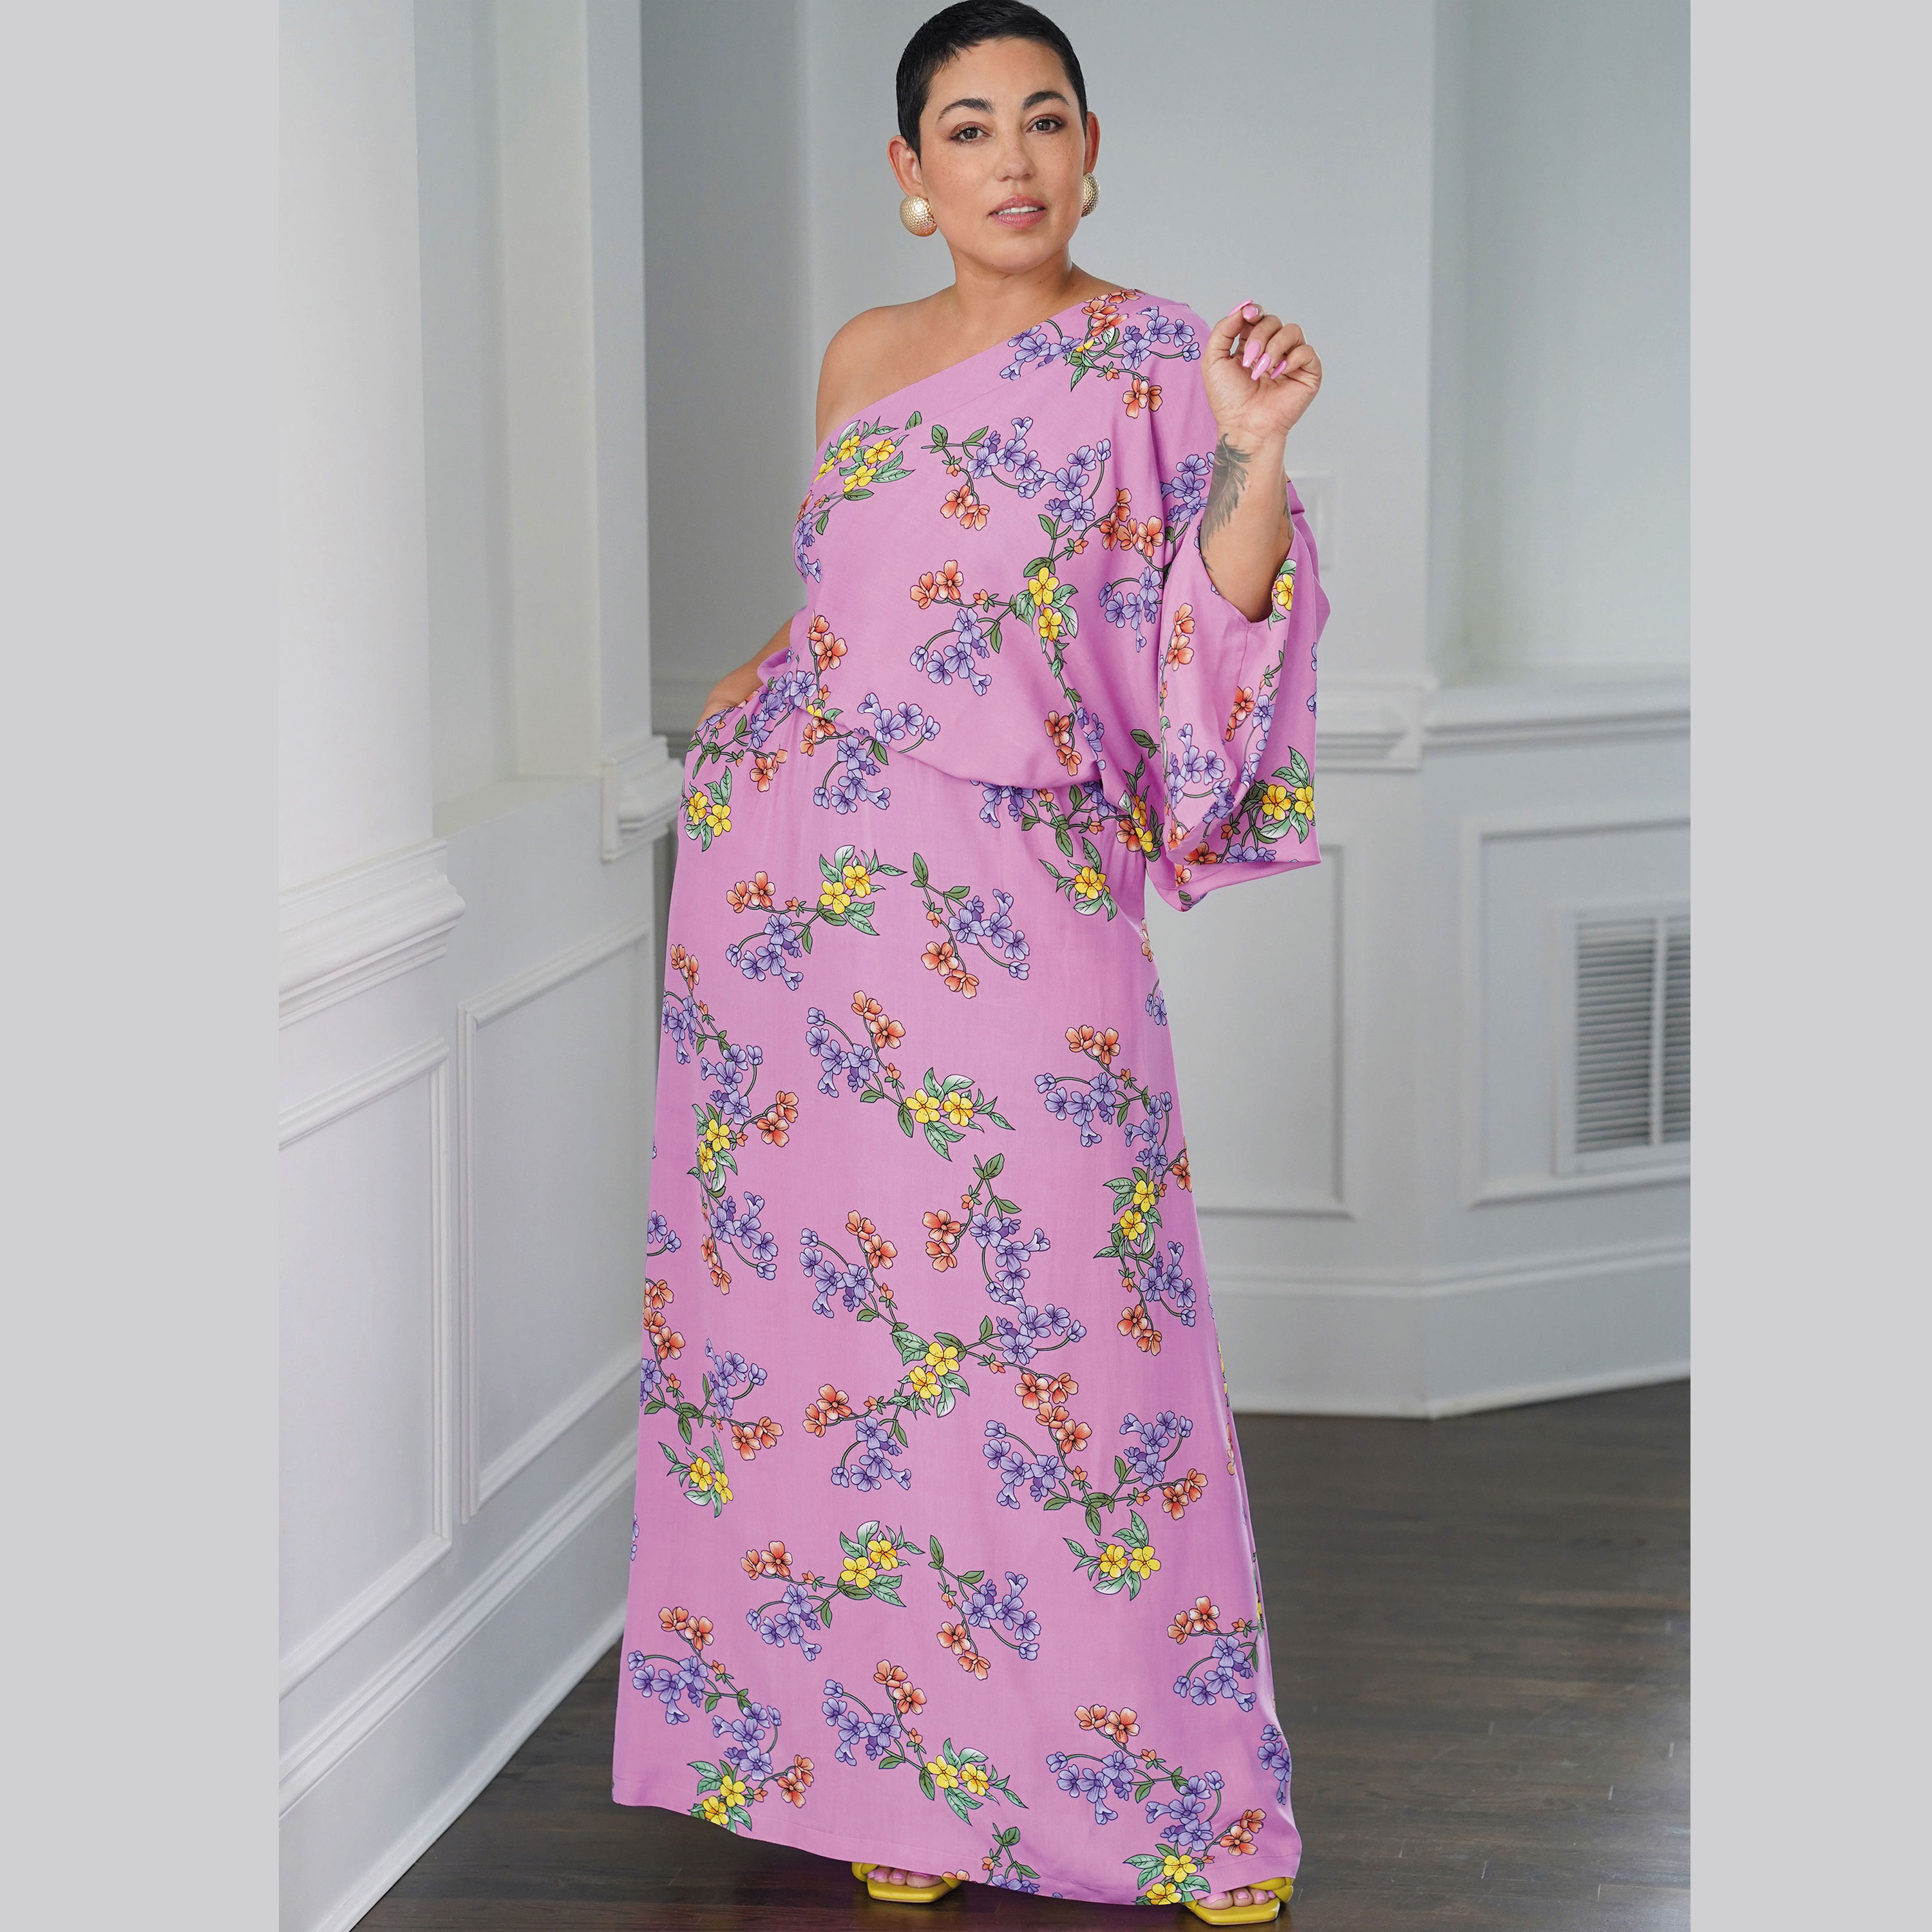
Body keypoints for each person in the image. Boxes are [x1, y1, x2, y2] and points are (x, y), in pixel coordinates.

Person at [611, 4, 1325, 1922]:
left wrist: (1254, 453)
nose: (1011, 157)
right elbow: (863, 609)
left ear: (1092, 150)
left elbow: (1210, 622)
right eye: (968, 126)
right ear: (910, 173)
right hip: (800, 910)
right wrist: (758, 686)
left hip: (1020, 893)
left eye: (1044, 119)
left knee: (1080, 1336)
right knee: (859, 1344)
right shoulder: (862, 355)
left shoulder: (1164, 359)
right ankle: (905, 1785)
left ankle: (1178, 1805)